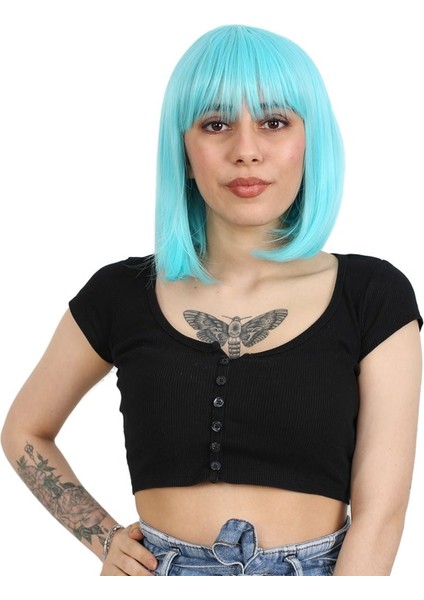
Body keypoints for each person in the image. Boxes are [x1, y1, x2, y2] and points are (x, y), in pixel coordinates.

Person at [1, 24, 422, 577]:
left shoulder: (373, 296)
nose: (246, 151)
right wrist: (103, 539)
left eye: (274, 122)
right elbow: (24, 431)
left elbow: (381, 517)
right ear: (183, 146)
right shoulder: (120, 293)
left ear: (310, 139)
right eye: (216, 124)